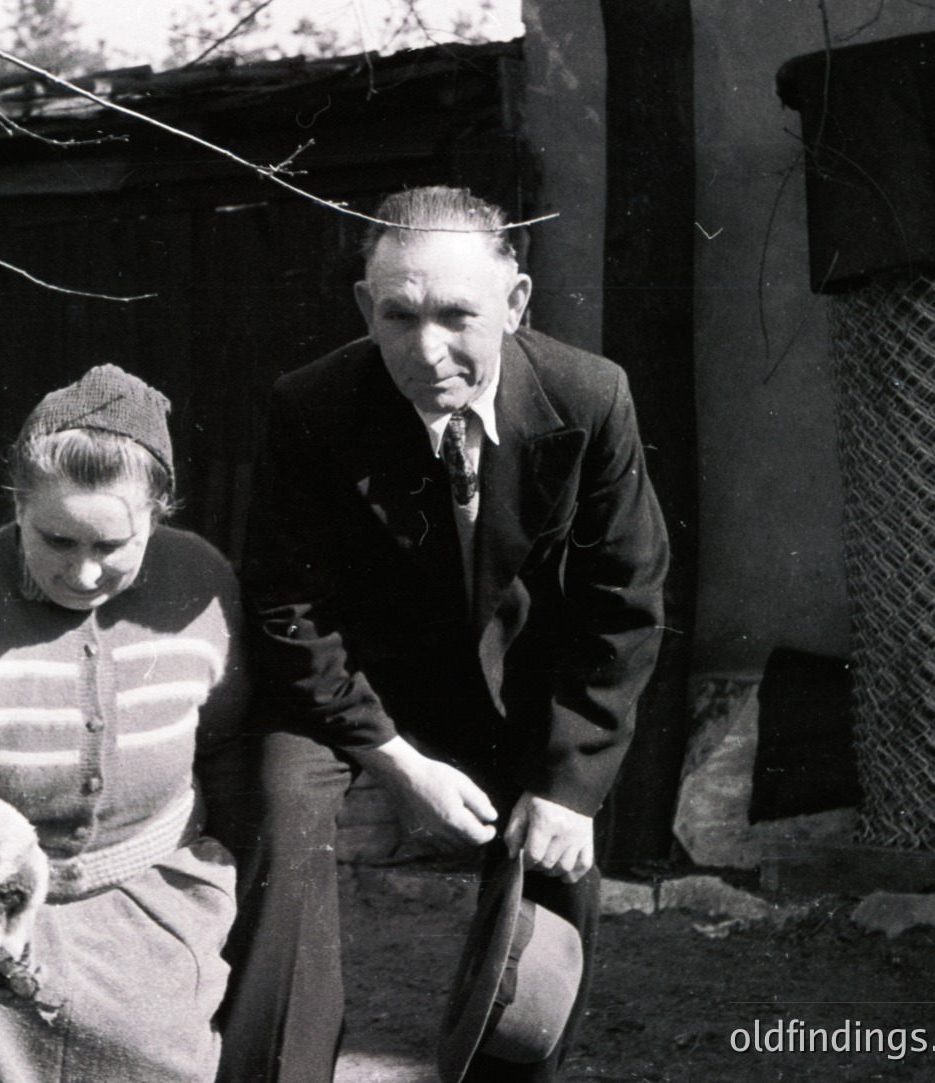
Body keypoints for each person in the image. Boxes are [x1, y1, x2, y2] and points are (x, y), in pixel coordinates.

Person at [215, 187, 669, 1083]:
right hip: (357, 687)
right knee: (281, 799)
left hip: (516, 688)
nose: (427, 351)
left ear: (515, 301)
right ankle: (279, 1068)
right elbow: (285, 607)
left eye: (457, 315)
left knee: (556, 849)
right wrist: (394, 761)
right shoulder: (312, 405)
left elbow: (623, 600)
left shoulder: (589, 396)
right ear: (363, 310)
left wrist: (569, 788)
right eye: (399, 316)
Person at [0, 364, 247, 1083]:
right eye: (57, 540)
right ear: (17, 505)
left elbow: (229, 749)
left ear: (159, 514)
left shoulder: (199, 583)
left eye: (111, 547)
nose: (83, 573)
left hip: (157, 910)